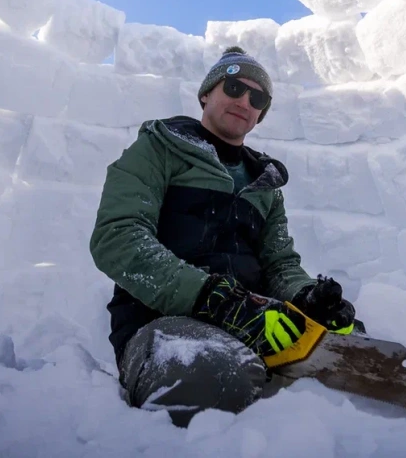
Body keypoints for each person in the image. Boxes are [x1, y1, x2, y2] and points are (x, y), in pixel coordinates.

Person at [90, 46, 358, 426]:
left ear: (261, 114)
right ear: (206, 93)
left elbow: (280, 264)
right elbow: (118, 238)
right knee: (213, 376)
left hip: (256, 327)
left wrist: (308, 299)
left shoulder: (265, 185)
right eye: (233, 87)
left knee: (365, 366)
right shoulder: (158, 149)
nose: (245, 100)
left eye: (258, 97)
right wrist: (215, 300)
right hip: (164, 325)